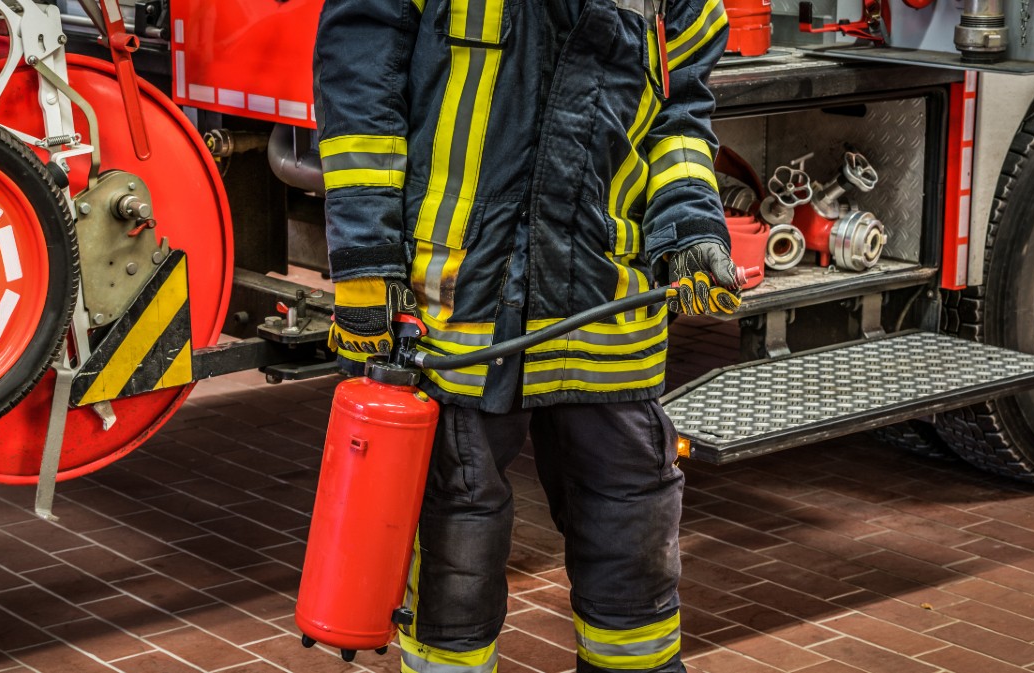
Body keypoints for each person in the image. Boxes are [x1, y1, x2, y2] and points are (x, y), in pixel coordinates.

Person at [314, 1, 739, 671]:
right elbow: (361, 96)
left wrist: (691, 228)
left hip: (603, 308)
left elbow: (679, 116)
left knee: (630, 535)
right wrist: (367, 265)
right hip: (458, 312)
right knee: (456, 539)